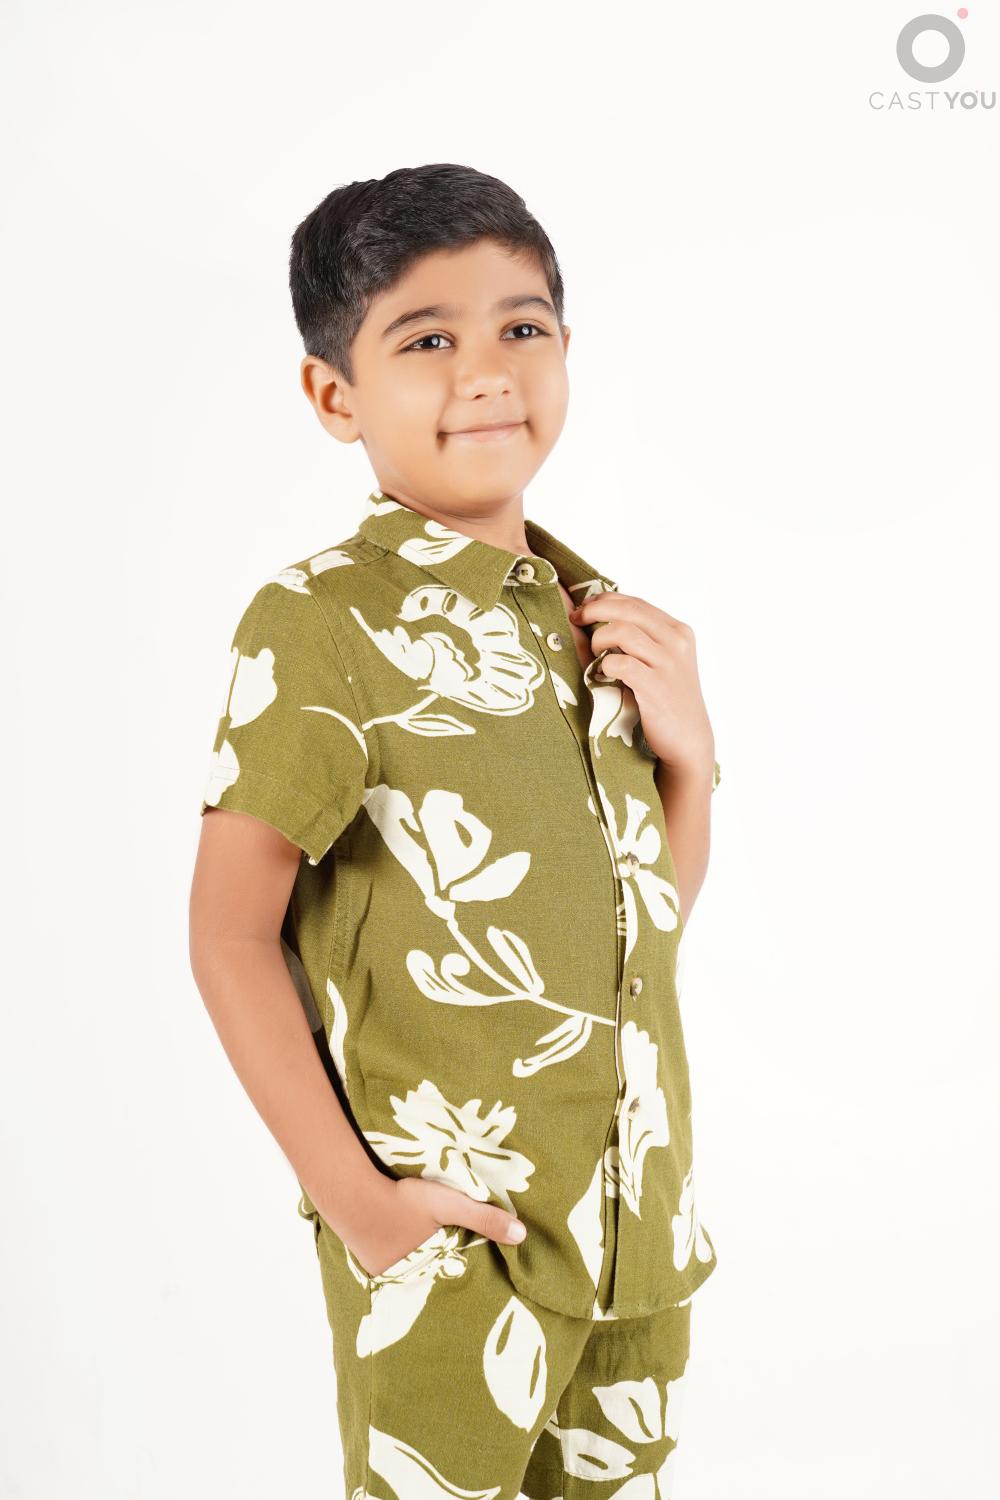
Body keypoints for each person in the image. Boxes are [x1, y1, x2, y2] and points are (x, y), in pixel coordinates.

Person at [189, 162, 722, 1498]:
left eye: (521, 327)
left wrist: (691, 761)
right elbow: (227, 935)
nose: (486, 371)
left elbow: (634, 928)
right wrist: (364, 1210)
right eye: (427, 340)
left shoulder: (603, 621)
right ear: (336, 396)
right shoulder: (321, 623)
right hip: (453, 1252)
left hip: (638, 1243)